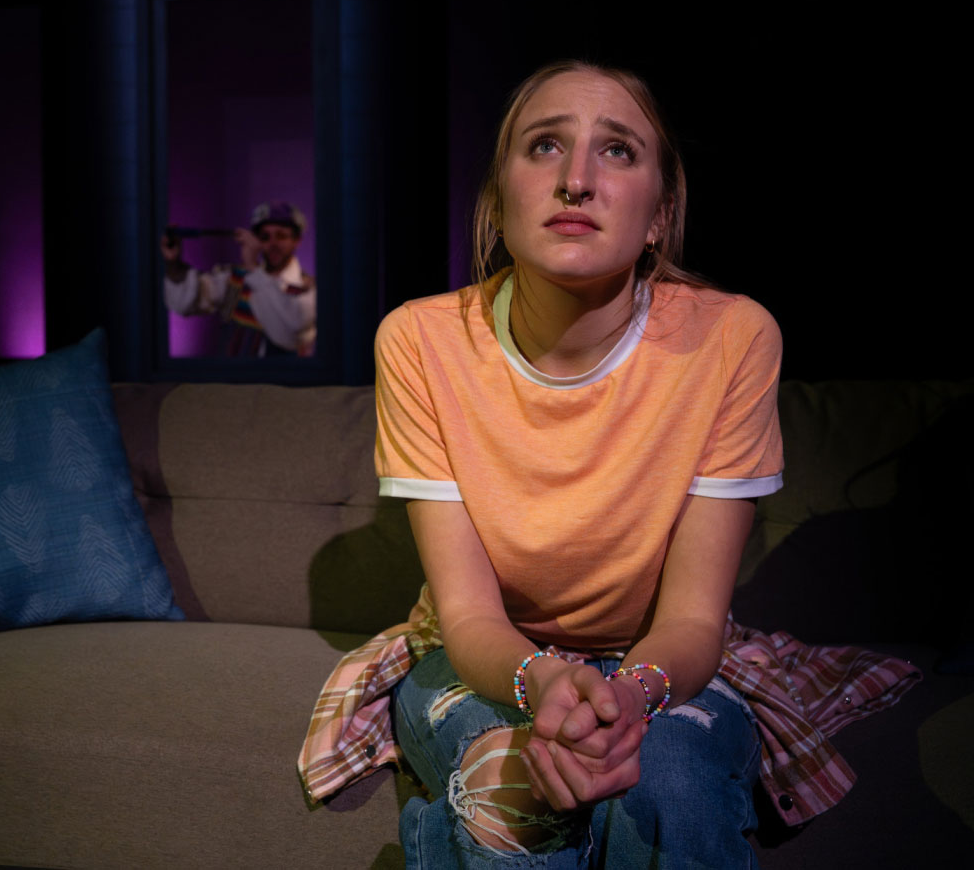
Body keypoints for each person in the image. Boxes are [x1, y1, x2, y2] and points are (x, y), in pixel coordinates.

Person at [297, 62, 919, 868]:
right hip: (487, 653)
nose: (577, 180)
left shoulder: (733, 339)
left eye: (617, 150)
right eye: (544, 145)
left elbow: (692, 619)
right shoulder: (421, 341)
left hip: (658, 656)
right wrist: (542, 681)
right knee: (509, 795)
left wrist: (630, 694)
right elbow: (471, 616)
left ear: (659, 215)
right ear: (498, 201)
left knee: (674, 789)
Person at [162, 201, 316, 356]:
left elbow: (289, 333)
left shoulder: (308, 290)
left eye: (281, 236)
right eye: (264, 237)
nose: (272, 244)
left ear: (297, 240)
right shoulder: (236, 279)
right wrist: (174, 265)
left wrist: (252, 267)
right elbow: (186, 302)